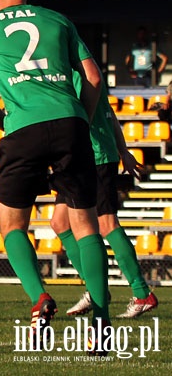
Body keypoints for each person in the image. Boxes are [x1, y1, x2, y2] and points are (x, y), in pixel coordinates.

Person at [0, 0, 110, 344]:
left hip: (21, 129)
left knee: (13, 226)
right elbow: (94, 77)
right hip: (70, 122)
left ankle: (40, 297)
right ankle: (101, 325)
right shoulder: (58, 20)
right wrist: (82, 117)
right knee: (86, 226)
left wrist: (7, 125)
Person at [54, 85, 159, 319]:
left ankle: (142, 293)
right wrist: (123, 150)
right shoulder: (80, 69)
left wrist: (122, 151)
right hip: (76, 159)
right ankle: (95, 289)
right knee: (60, 223)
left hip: (95, 156)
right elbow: (110, 116)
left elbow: (102, 116)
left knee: (107, 224)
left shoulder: (75, 72)